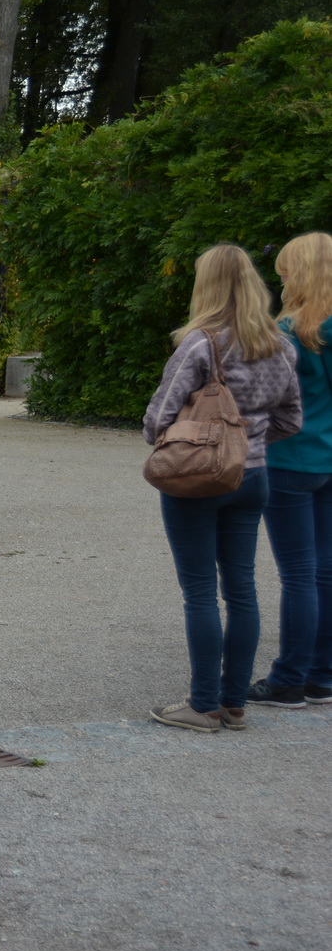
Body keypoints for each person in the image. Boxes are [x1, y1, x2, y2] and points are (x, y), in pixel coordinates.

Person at [144, 243, 301, 731]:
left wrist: (204, 445)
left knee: (198, 594)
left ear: (205, 286)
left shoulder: (200, 344)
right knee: (243, 591)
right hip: (252, 478)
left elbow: (157, 421)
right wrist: (246, 443)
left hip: (197, 482)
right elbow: (291, 420)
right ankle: (235, 704)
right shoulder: (281, 346)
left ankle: (203, 704)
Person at [253, 233, 332, 709]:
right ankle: (322, 675)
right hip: (330, 458)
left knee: (298, 574)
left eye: (283, 273)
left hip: (288, 460)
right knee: (326, 571)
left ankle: (288, 679)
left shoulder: (283, 332)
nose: (280, 280)